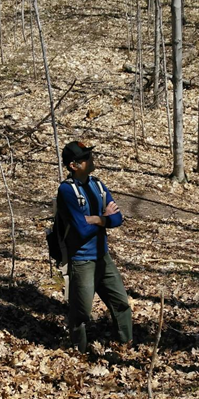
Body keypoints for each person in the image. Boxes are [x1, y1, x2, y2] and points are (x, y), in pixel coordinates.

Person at [58, 141, 132, 353]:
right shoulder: (67, 191)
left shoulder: (98, 185)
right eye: (86, 157)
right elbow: (81, 229)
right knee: (81, 313)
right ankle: (77, 351)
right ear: (74, 165)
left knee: (121, 304)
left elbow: (117, 218)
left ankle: (126, 345)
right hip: (82, 261)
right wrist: (104, 218)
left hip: (103, 256)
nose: (91, 160)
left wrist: (97, 219)